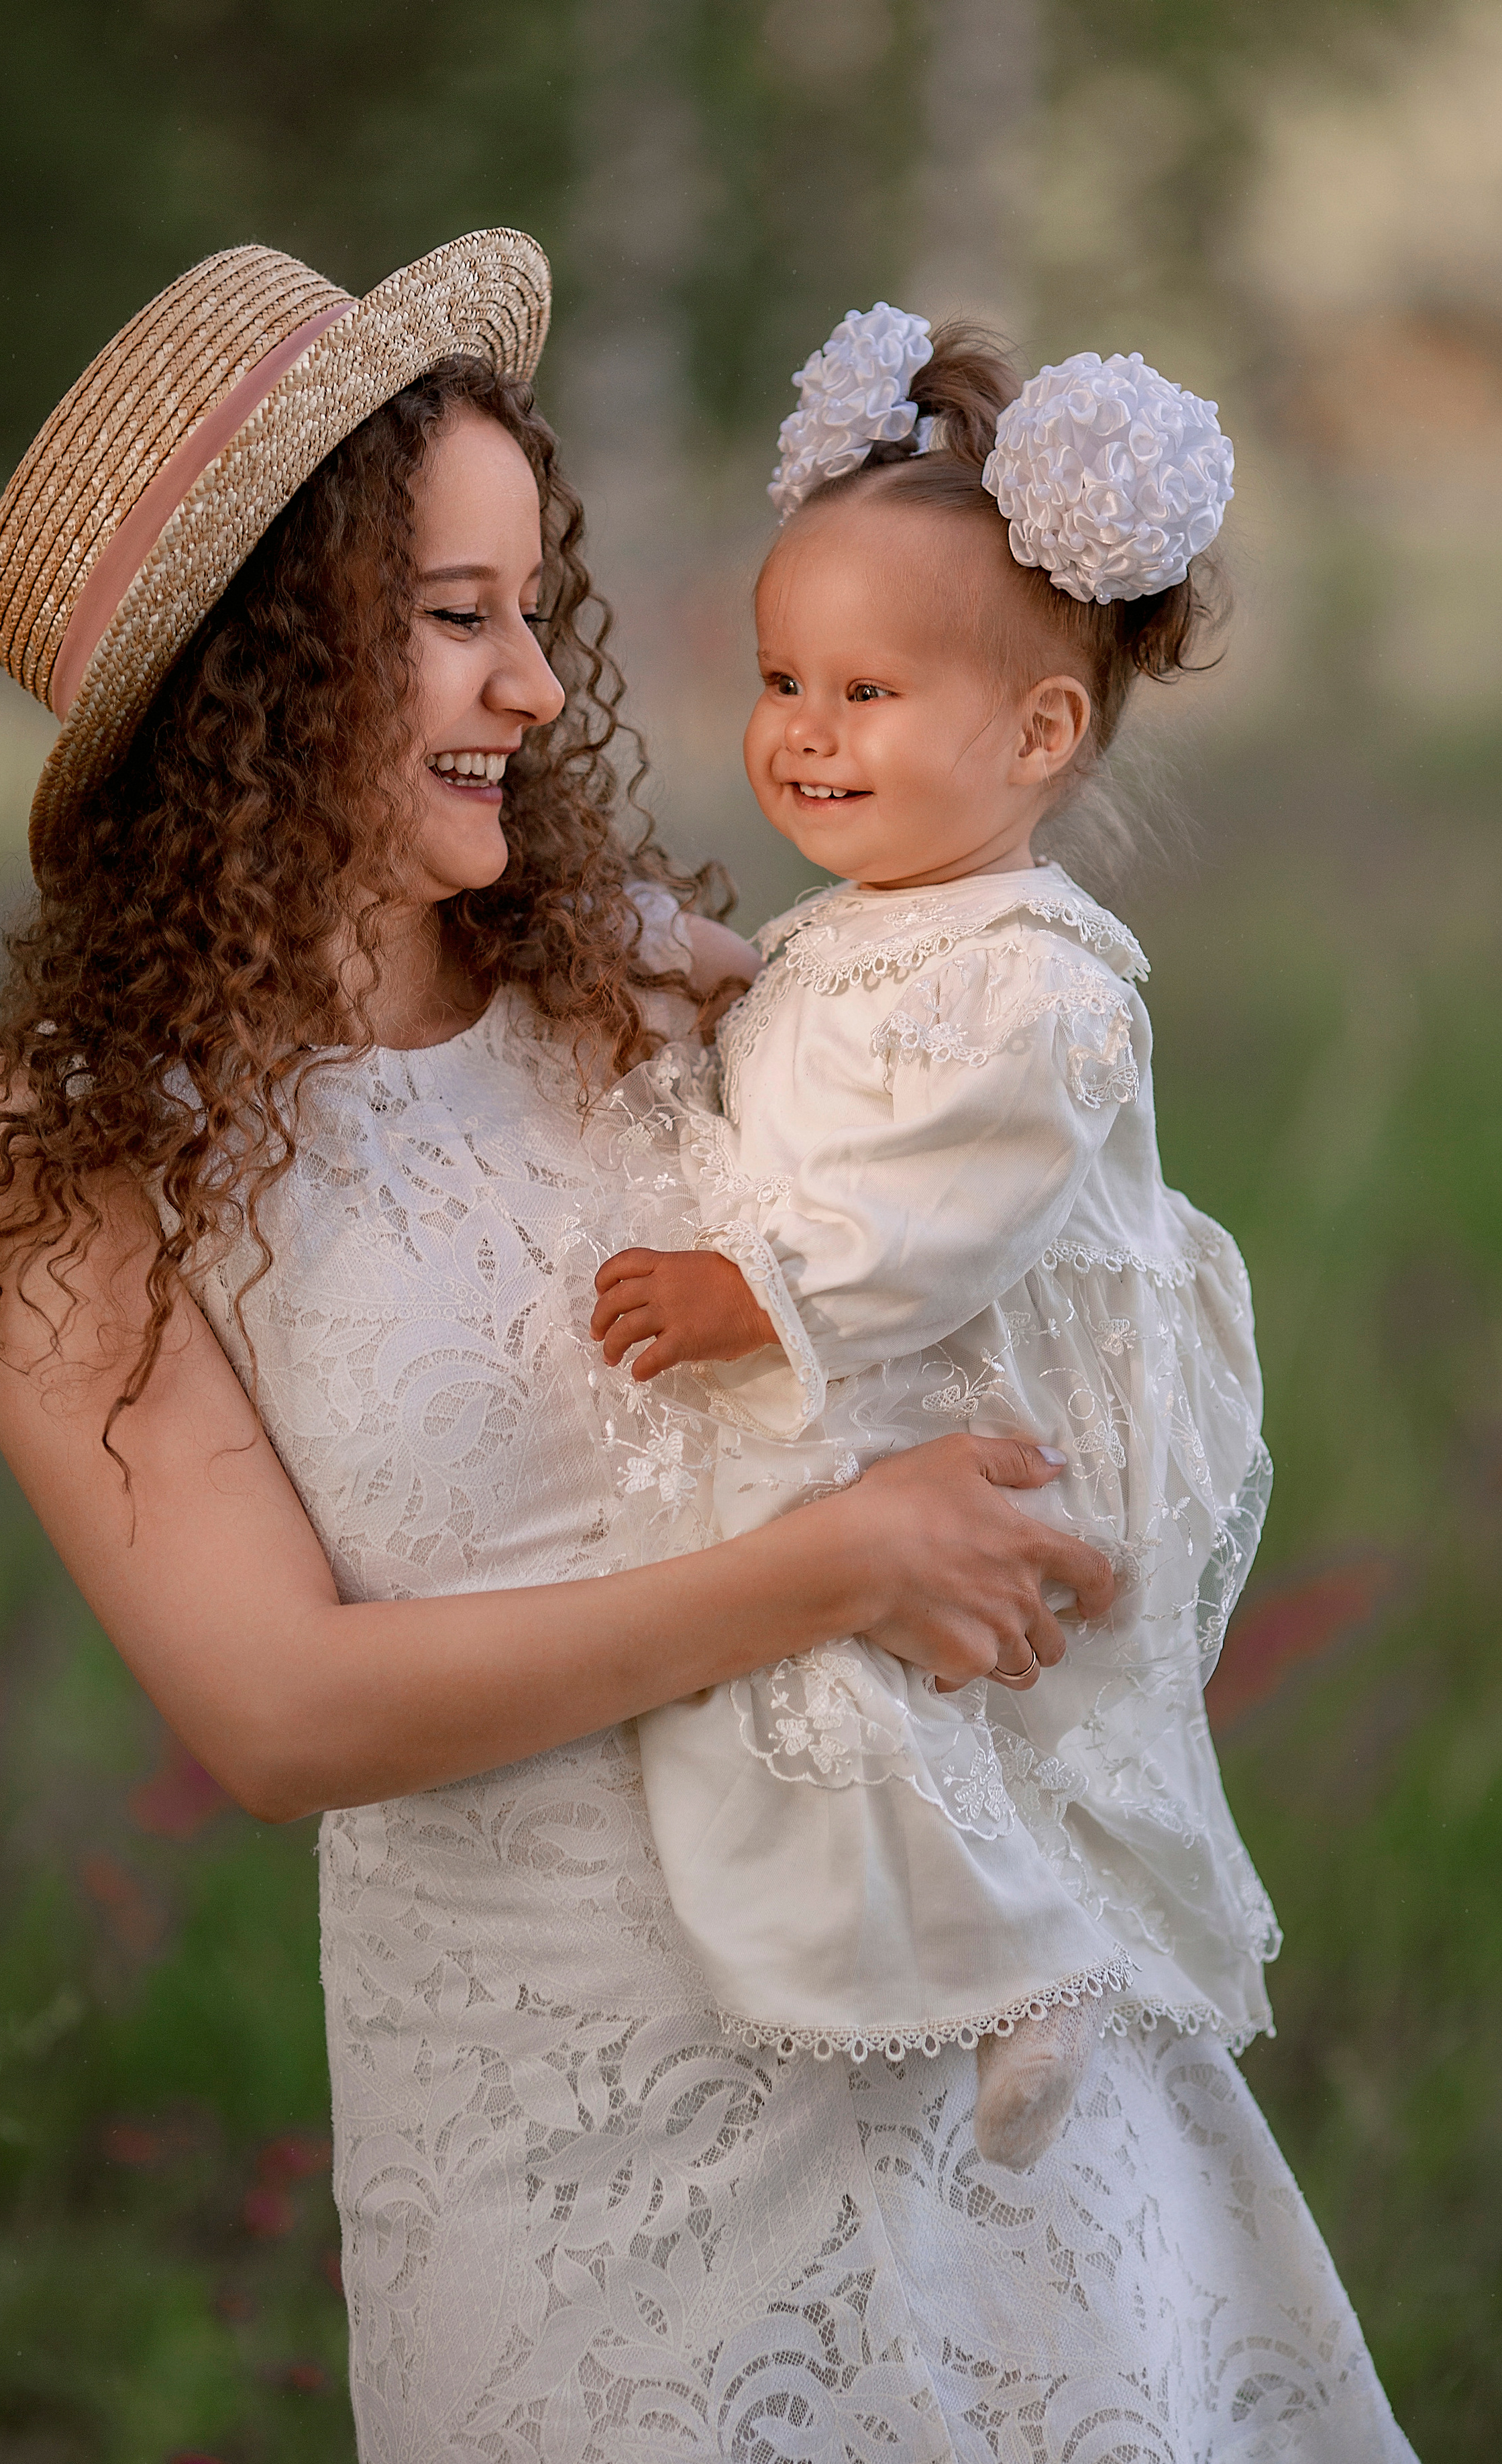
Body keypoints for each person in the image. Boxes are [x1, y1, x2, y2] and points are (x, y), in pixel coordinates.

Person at [0, 239, 1426, 2464]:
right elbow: (282, 1708)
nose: (535, 682)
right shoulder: (58, 1140)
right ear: (251, 666)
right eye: (451, 615)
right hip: (565, 2146)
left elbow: (1004, 1168)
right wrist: (840, 1557)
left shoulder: (625, 969)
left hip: (954, 2038)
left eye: (536, 604)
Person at [582, 311, 1277, 2176]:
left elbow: (947, 1193)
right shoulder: (870, 920)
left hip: (986, 1383)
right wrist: (712, 990)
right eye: (781, 678)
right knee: (843, 1663)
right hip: (891, 1370)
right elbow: (806, 1075)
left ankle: (1033, 1952)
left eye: (866, 695)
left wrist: (763, 1290)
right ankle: (932, 1950)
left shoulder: (1042, 982)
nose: (803, 732)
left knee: (906, 1674)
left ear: (1040, 730)